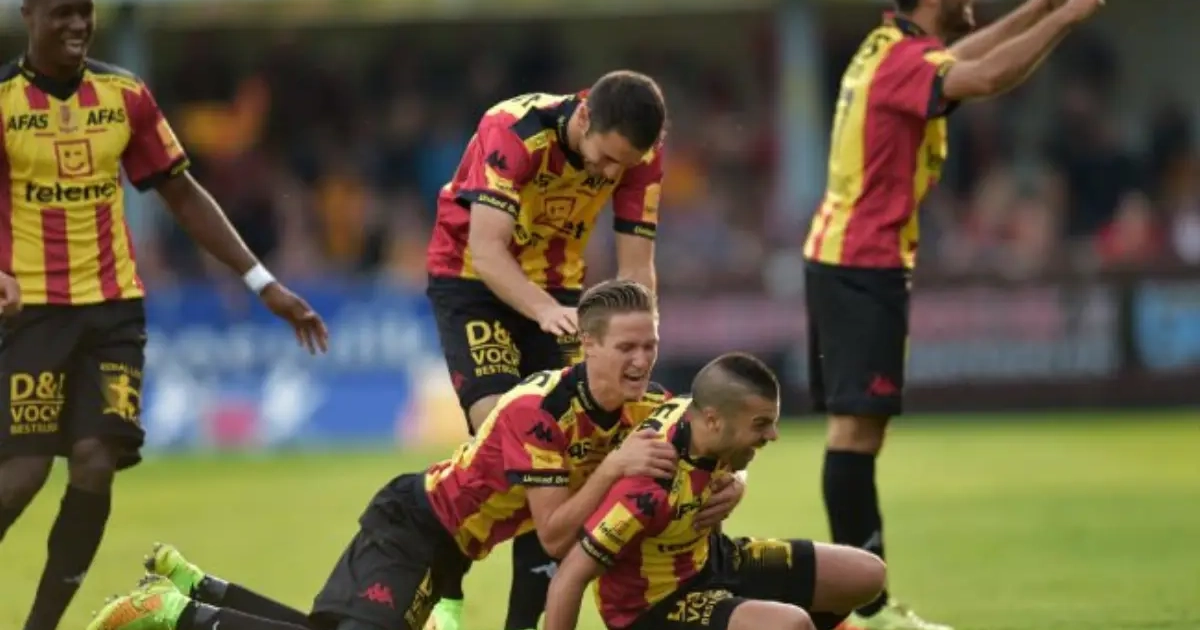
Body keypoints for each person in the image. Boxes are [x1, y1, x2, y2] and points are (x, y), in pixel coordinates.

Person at [87, 279, 747, 630]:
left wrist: (735, 480)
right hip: (415, 525)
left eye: (650, 346)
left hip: (455, 547)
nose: (641, 360)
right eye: (626, 347)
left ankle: (201, 592)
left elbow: (716, 429)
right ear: (589, 345)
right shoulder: (536, 411)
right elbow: (551, 536)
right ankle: (171, 614)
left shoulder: (648, 406)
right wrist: (614, 466)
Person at [0, 2, 329, 629]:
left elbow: (180, 190)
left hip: (114, 312)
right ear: (29, 13)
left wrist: (262, 282)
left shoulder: (124, 95)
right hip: (32, 315)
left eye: (85, 12)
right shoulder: (3, 101)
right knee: (22, 473)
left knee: (95, 460)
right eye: (62, 12)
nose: (78, 24)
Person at [801, 0, 1104, 628]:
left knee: (855, 433)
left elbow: (963, 59)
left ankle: (854, 603)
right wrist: (1065, 20)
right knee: (855, 434)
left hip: (846, 256)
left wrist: (1038, 8)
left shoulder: (888, 49)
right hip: (862, 262)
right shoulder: (902, 61)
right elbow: (984, 76)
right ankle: (866, 608)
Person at [424, 70, 665, 630]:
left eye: (623, 166)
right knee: (503, 430)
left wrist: (641, 340)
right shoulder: (512, 130)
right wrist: (544, 311)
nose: (611, 174)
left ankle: (525, 622)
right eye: (606, 159)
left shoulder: (642, 155)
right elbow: (487, 250)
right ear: (584, 117)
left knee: (561, 453)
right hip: (472, 282)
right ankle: (444, 589)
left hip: (561, 290)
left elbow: (636, 268)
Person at [543, 352, 886, 630]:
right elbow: (569, 578)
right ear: (712, 421)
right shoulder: (649, 484)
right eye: (761, 425)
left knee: (866, 575)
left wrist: (739, 481)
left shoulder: (702, 415)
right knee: (789, 625)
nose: (773, 436)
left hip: (713, 560)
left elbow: (732, 454)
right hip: (656, 607)